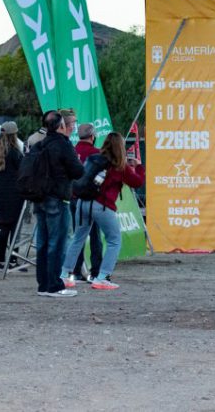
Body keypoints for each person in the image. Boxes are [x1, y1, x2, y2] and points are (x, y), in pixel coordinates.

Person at [61, 133, 144, 290]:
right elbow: (137, 182)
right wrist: (139, 167)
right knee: (114, 240)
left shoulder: (94, 159)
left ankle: (64, 275)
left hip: (82, 202)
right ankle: (102, 277)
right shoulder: (120, 166)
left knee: (78, 238)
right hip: (102, 205)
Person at [34, 110, 84, 297]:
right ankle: (54, 286)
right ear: (61, 125)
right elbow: (78, 171)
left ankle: (43, 285)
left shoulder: (40, 144)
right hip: (57, 198)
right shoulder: (63, 144)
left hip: (40, 198)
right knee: (57, 243)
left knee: (43, 243)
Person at [0, 122, 24, 271]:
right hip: (15, 194)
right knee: (15, 228)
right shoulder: (15, 152)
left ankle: (1, 261)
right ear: (13, 135)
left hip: (0, 193)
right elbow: (22, 171)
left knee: (4, 227)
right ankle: (13, 259)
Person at [70, 122, 103, 283]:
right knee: (95, 236)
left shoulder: (72, 151)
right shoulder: (97, 153)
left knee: (78, 236)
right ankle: (96, 271)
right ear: (92, 136)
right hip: (91, 200)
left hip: (74, 198)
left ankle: (76, 271)